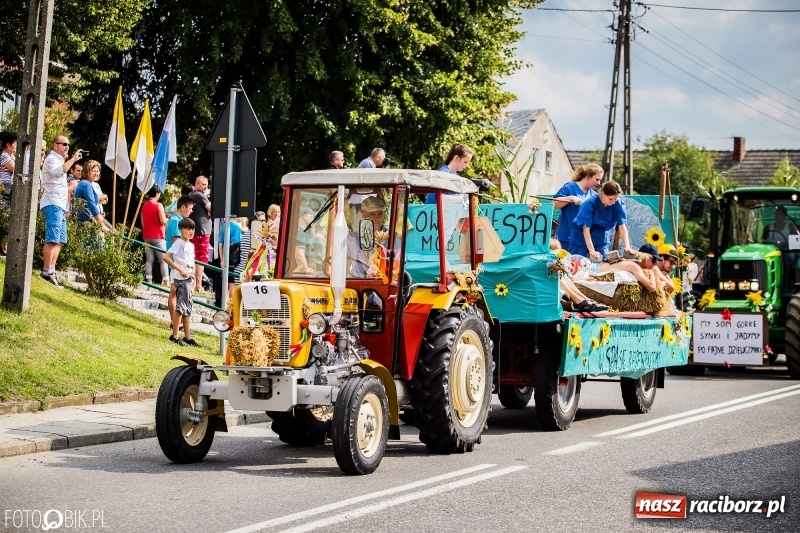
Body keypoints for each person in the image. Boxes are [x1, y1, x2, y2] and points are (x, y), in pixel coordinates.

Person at [39, 135, 85, 287]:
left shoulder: (60, 160)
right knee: (52, 239)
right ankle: (46, 271)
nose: (66, 147)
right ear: (55, 145)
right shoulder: (52, 159)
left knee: (59, 240)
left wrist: (65, 206)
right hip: (52, 203)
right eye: (64, 144)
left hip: (60, 205)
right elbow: (59, 172)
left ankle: (51, 270)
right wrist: (72, 159)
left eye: (68, 144)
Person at [568, 180, 634, 261]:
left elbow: (622, 226)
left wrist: (627, 246)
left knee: (603, 262)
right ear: (602, 193)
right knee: (579, 264)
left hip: (601, 238)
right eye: (610, 199)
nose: (613, 202)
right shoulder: (589, 204)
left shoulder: (618, 203)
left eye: (615, 199)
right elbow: (586, 229)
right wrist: (592, 251)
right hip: (581, 239)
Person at [164, 217, 199, 347]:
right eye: (188, 228)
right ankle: (175, 335)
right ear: (181, 230)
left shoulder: (191, 245)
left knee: (187, 308)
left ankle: (188, 336)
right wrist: (180, 269)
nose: (191, 231)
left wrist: (194, 275)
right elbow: (166, 257)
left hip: (189, 278)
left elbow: (192, 261)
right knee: (181, 307)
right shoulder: (178, 243)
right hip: (181, 279)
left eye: (192, 229)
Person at [552, 163, 603, 252]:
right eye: (597, 179)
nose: (599, 183)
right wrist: (570, 198)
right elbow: (554, 203)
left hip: (582, 241)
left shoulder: (594, 196)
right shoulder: (569, 187)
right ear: (588, 176)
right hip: (566, 237)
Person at [165, 195, 193, 330]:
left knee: (174, 292)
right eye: (190, 208)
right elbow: (178, 245)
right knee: (174, 292)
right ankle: (175, 322)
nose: (191, 211)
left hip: (178, 264)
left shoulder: (174, 220)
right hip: (177, 264)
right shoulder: (177, 222)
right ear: (183, 207)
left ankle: (176, 323)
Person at [141, 186, 169, 286]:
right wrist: (167, 220)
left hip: (147, 236)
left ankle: (149, 281)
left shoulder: (144, 206)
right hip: (158, 236)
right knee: (163, 260)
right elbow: (163, 220)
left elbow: (143, 224)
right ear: (157, 193)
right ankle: (166, 281)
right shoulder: (158, 205)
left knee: (149, 260)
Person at [187, 175, 212, 291]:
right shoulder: (199, 195)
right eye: (203, 184)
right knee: (201, 258)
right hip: (202, 231)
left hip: (196, 229)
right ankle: (198, 285)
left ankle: (194, 284)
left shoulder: (192, 195)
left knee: (195, 257)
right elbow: (212, 209)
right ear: (197, 184)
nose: (205, 187)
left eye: (206, 185)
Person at [74, 159, 111, 233]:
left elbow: (95, 200)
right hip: (86, 223)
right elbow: (92, 205)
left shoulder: (86, 184)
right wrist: (102, 225)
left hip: (90, 221)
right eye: (93, 171)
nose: (96, 173)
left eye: (97, 171)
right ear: (87, 171)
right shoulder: (86, 185)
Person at [0, 131, 17, 195]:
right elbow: (16, 169)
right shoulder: (4, 156)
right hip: (5, 186)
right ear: (8, 145)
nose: (16, 147)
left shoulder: (11, 156)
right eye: (15, 145)